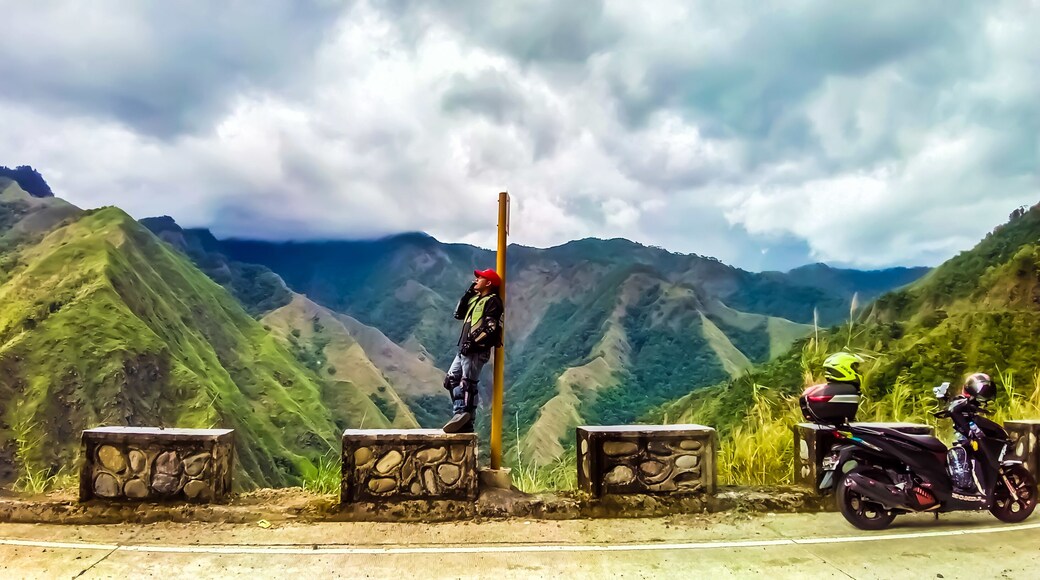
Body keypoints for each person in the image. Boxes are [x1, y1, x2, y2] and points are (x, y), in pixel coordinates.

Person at [442, 268, 504, 433]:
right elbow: (458, 313)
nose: (476, 280)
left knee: (468, 383)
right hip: (464, 349)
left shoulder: (493, 301)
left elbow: (490, 327)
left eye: (480, 278)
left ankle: (465, 416)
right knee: (451, 379)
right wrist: (468, 293)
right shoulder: (475, 299)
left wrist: (473, 341)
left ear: (489, 283)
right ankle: (461, 415)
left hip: (476, 350)